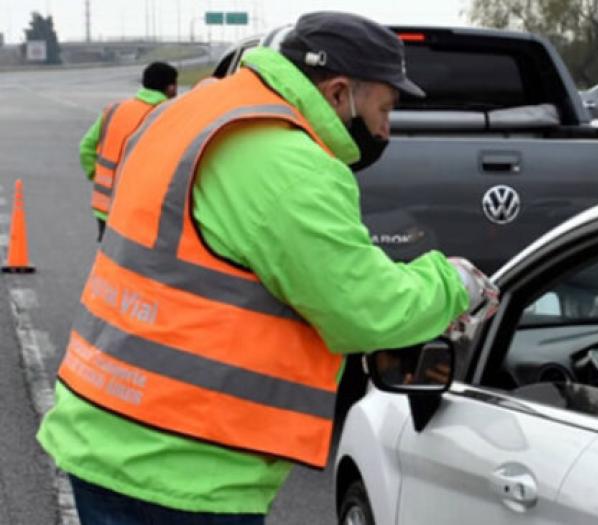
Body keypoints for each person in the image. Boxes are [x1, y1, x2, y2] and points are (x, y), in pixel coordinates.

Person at [38, 11, 497, 523]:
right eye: (385, 108)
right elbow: (367, 309)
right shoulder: (288, 165)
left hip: (108, 426)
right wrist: (453, 282)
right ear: (338, 93)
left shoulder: (194, 111)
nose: (387, 129)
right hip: (182, 467)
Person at [78, 61, 177, 241]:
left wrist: (97, 174)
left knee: (107, 262)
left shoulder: (114, 110)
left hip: (105, 206)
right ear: (170, 88)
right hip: (140, 209)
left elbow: (86, 147)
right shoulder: (167, 115)